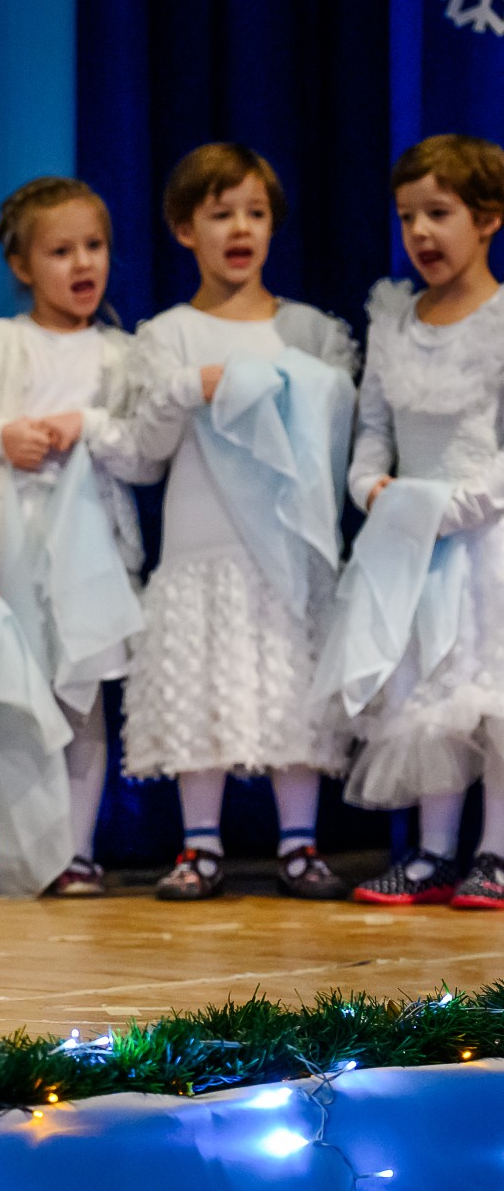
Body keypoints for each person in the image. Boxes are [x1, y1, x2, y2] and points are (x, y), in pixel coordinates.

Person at [122, 144, 358, 902]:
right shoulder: (170, 335)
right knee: (200, 682)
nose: (241, 228)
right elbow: (144, 455)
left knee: (292, 685)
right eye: (221, 213)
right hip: (203, 544)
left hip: (287, 543)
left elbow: (336, 432)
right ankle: (199, 845)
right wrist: (187, 387)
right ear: (184, 229)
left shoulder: (309, 332)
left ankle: (299, 842)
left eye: (255, 213)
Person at [0, 178, 151, 899]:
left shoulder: (121, 353)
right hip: (9, 541)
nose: (82, 263)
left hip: (90, 551)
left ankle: (75, 852)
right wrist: (2, 437)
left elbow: (145, 453)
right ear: (22, 265)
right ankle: (2, 850)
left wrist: (90, 428)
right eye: (61, 251)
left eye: (94, 246)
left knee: (80, 697)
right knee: (9, 693)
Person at [334, 134, 504, 908]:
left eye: (439, 213)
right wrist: (373, 488)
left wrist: (453, 506)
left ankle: (494, 851)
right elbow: (373, 433)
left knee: (488, 694)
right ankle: (434, 853)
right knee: (425, 691)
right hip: (411, 544)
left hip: (486, 537)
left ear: (488, 218)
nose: (421, 233)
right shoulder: (394, 321)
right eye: (408, 218)